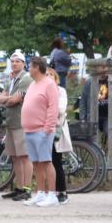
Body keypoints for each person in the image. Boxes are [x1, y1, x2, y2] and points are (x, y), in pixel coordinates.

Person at [20, 57, 60, 207]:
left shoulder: (49, 84)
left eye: (30, 66)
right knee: (36, 163)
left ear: (37, 68)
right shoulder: (32, 84)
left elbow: (53, 107)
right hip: (29, 130)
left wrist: (48, 128)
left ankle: (52, 194)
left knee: (46, 162)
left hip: (42, 130)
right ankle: (41, 193)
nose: (28, 69)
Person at [0, 52, 34, 201]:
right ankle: (19, 187)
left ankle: (27, 188)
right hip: (11, 122)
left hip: (21, 122)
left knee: (24, 156)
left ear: (24, 63)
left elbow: (14, 100)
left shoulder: (26, 79)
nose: (14, 64)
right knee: (15, 157)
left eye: (17, 61)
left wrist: (7, 99)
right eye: (12, 61)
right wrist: (7, 99)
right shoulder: (10, 79)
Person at [45, 67, 72, 204]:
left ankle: (62, 191)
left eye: (51, 75)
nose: (48, 76)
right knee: (45, 161)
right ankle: (49, 191)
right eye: (46, 75)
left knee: (56, 161)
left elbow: (60, 109)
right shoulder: (42, 90)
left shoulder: (60, 91)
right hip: (43, 129)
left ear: (56, 78)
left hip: (56, 129)